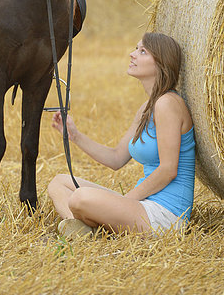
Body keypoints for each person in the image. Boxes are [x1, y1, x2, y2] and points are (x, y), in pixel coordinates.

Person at [47, 32, 195, 238]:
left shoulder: (168, 104)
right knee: (59, 183)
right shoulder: (148, 107)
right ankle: (80, 230)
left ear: (161, 63)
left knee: (79, 198)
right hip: (142, 204)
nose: (132, 54)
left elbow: (168, 170)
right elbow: (116, 158)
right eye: (136, 48)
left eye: (142, 51)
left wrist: (126, 201)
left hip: (164, 215)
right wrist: (75, 135)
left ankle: (84, 228)